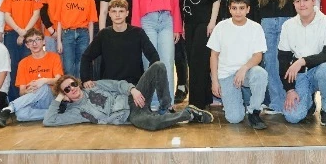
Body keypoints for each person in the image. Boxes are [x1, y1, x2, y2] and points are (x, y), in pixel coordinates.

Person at [43, 72, 213, 130]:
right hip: (130, 116)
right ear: (65, 96)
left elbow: (117, 85)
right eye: (67, 89)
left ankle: (164, 107)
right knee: (152, 125)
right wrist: (58, 98)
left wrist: (133, 90)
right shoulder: (75, 112)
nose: (72, 88)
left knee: (158, 66)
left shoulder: (93, 86)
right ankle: (188, 114)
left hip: (133, 98)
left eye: (73, 84)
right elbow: (49, 121)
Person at [277, 0, 326, 125]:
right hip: (300, 75)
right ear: (294, 4)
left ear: (313, 1)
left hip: (320, 70)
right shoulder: (288, 25)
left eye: (305, 0)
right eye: (298, 1)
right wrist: (290, 90)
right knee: (292, 117)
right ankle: (308, 101)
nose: (302, 4)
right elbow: (283, 60)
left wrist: (303, 61)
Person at [208, 0, 269, 129]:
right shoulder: (221, 27)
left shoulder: (256, 28)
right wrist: (215, 81)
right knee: (234, 118)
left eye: (242, 8)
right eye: (234, 8)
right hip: (226, 75)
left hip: (247, 72)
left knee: (260, 74)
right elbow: (214, 55)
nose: (238, 12)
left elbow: (258, 56)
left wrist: (244, 68)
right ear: (229, 9)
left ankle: (254, 111)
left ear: (248, 9)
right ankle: (240, 101)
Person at [131, 0, 182, 107]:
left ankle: (168, 102)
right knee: (150, 61)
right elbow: (136, 6)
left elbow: (176, 5)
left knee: (167, 61)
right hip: (148, 22)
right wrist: (136, 31)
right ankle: (153, 102)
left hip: (167, 21)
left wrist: (177, 28)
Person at [256, 0, 301, 113]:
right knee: (270, 62)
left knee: (285, 60)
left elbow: (297, 0)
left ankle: (290, 98)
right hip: (267, 23)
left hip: (286, 21)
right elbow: (257, 6)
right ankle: (276, 102)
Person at [0, 28, 63, 127]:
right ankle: (55, 112)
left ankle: (8, 108)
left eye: (37, 39)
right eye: (30, 41)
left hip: (49, 97)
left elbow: (59, 80)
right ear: (27, 45)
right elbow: (21, 92)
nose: (34, 43)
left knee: (42, 86)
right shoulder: (23, 63)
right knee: (20, 115)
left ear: (43, 41)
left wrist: (44, 81)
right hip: (32, 100)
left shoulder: (54, 57)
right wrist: (27, 91)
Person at [180, 0, 222, 109]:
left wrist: (212, 22)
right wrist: (183, 24)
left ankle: (196, 103)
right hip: (189, 24)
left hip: (204, 23)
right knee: (192, 61)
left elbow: (216, 0)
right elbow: (184, 3)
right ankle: (204, 99)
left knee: (199, 61)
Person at [0, 0, 42, 99]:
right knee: (13, 67)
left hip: (30, 34)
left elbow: (36, 14)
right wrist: (19, 30)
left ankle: (28, 99)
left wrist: (25, 32)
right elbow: (6, 14)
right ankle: (14, 100)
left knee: (28, 67)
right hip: (12, 33)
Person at [54, 0, 97, 78]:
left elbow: (91, 22)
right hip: (67, 34)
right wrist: (59, 41)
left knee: (81, 64)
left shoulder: (89, 0)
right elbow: (59, 22)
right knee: (68, 65)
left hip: (83, 34)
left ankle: (79, 86)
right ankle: (69, 86)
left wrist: (91, 41)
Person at [162, 0, 188, 102]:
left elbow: (183, 0)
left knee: (179, 54)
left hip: (179, 18)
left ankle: (182, 86)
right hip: (161, 18)